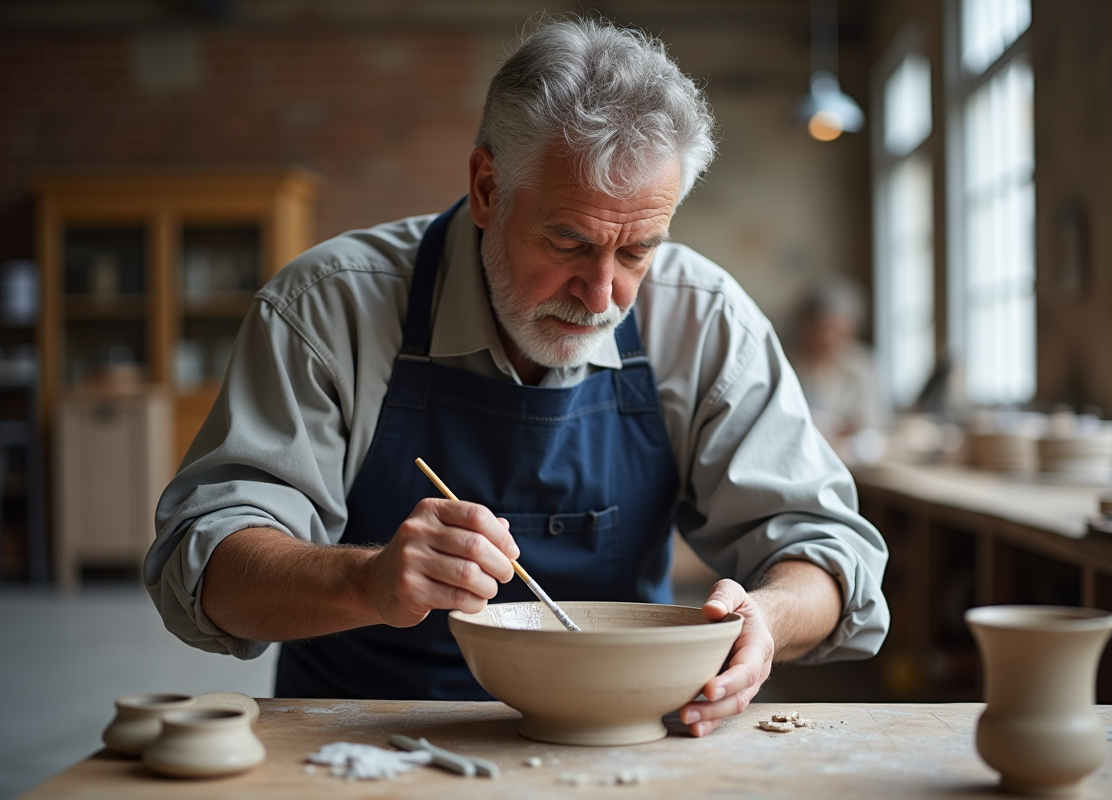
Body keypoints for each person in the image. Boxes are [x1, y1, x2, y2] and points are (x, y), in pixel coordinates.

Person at [145, 17, 888, 738]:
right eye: (568, 241)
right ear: (486, 188)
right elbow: (205, 564)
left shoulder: (704, 320)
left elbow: (829, 551)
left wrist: (770, 616)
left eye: (636, 253)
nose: (601, 298)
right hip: (367, 737)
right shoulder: (328, 308)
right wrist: (364, 582)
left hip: (625, 739)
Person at [786, 276, 890, 462]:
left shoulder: (861, 365)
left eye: (839, 330)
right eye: (823, 328)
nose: (829, 338)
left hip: (852, 460)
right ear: (806, 327)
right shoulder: (788, 364)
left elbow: (874, 423)